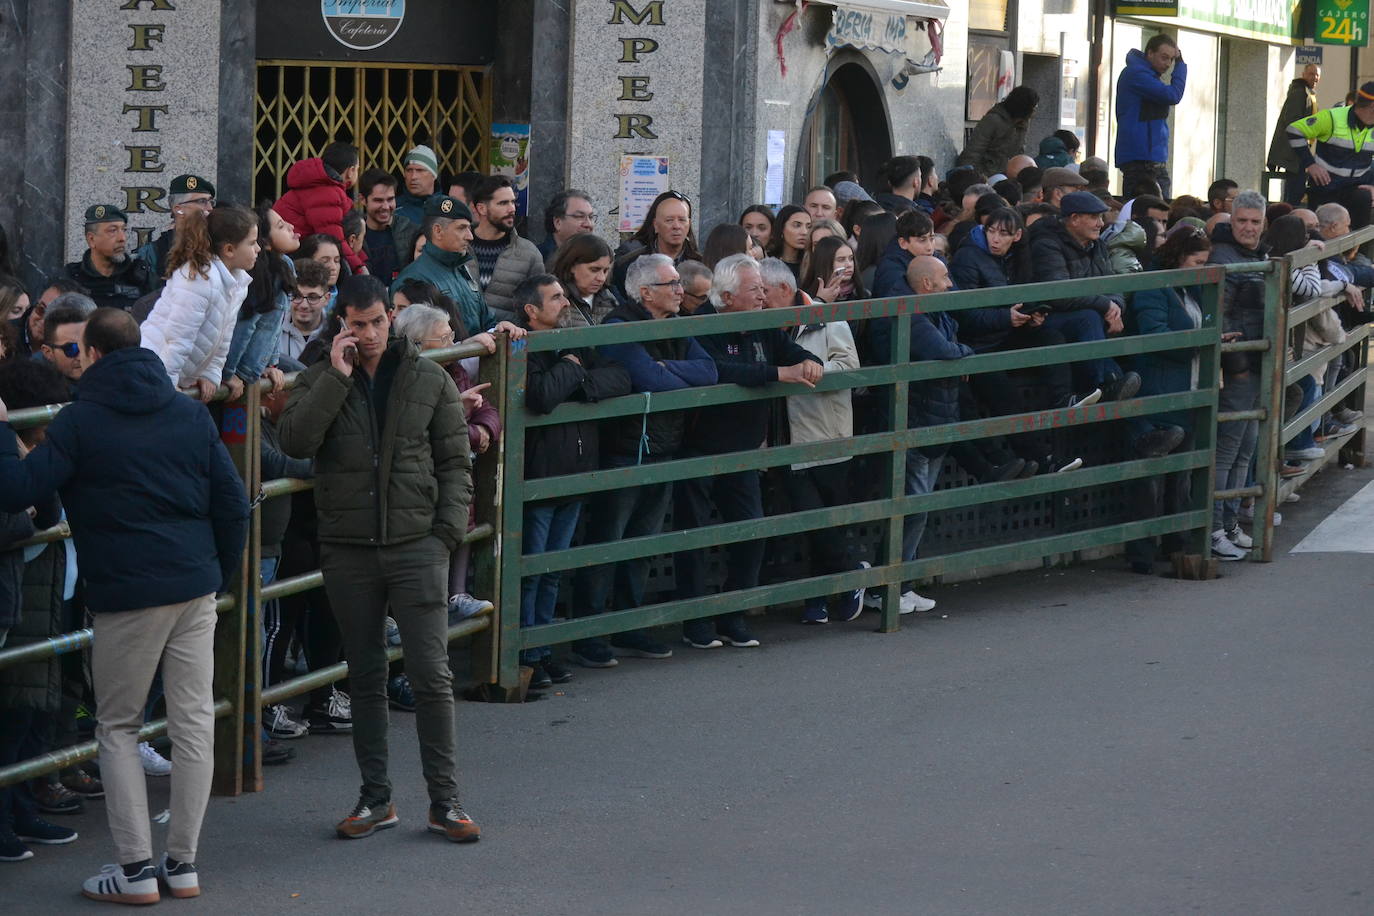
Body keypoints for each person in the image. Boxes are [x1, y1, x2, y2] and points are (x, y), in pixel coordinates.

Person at [0, 306, 249, 902]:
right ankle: (182, 865)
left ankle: (135, 870)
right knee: (192, 725)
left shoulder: (80, 421)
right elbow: (234, 505)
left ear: (89, 354)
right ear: (140, 346)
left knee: (116, 727)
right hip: (194, 586)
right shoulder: (188, 413)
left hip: (125, 594)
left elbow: (18, 493)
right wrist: (217, 576)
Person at [276, 275, 480, 843]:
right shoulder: (320, 377)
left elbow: (455, 461)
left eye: (375, 323)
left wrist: (444, 534)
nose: (366, 334)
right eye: (355, 324)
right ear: (341, 323)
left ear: (390, 319)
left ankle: (446, 800)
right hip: (348, 547)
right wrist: (336, 380)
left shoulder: (427, 378)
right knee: (364, 675)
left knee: (431, 674)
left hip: (417, 544)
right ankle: (375, 799)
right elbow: (294, 440)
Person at [571, 254, 717, 668]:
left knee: (643, 543)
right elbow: (648, 380)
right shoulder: (620, 326)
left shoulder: (674, 325)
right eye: (671, 284)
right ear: (645, 291)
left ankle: (629, 625)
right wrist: (666, 373)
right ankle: (587, 632)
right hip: (626, 450)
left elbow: (708, 372)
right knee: (609, 541)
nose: (680, 290)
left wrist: (667, 366)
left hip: (663, 446)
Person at [673, 254, 822, 649]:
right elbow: (720, 370)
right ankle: (695, 621)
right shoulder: (700, 325)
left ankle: (733, 614)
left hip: (744, 450)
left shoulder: (763, 323)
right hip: (699, 447)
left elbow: (790, 354)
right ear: (726, 296)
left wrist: (809, 361)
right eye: (754, 289)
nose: (763, 295)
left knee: (751, 530)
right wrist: (778, 373)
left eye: (763, 288)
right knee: (694, 537)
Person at [511, 276, 630, 686]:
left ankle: (541, 652)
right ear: (531, 309)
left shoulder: (575, 340)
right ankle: (525, 654)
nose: (565, 303)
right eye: (557, 297)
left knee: (552, 569)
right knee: (532, 569)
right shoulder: (522, 345)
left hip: (575, 472)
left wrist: (574, 381)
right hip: (540, 476)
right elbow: (540, 396)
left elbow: (619, 377)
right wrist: (569, 369)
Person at [760, 258, 866, 624]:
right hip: (781, 438)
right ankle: (842, 580)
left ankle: (832, 589)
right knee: (808, 520)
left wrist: (811, 371)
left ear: (785, 291)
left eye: (764, 291)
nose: (759, 298)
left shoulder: (825, 316)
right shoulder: (761, 322)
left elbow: (850, 367)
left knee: (827, 520)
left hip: (825, 432)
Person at [869, 255, 972, 613]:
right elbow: (944, 350)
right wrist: (964, 354)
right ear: (926, 284)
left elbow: (950, 347)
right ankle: (888, 587)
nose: (950, 285)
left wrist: (959, 354)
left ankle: (899, 584)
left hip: (934, 419)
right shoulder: (910, 312)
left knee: (917, 509)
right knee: (911, 509)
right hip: (913, 423)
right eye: (945, 278)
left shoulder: (938, 311)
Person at [0, 358, 68, 863]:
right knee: (13, 715)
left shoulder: (33, 449)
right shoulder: (12, 445)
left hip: (34, 595)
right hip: (20, 596)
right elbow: (24, 519)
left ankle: (18, 805)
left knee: (27, 715)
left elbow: (43, 510)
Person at [1123, 225, 1211, 573]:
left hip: (1186, 389)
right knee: (1151, 479)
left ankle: (1176, 545)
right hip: (1158, 390)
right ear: (1178, 258)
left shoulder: (1194, 289)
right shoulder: (1155, 288)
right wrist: (1202, 342)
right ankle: (1142, 554)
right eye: (1197, 262)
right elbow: (1154, 335)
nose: (1203, 269)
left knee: (1181, 476)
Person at [1027, 191, 1141, 401]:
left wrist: (1115, 306)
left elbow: (1111, 282)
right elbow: (1058, 292)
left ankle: (1113, 385)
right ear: (1074, 219)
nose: (1100, 223)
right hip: (1047, 318)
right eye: (1094, 217)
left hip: (1087, 317)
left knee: (1101, 318)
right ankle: (1099, 385)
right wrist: (1105, 305)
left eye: (1100, 217)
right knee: (1088, 318)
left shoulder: (1096, 244)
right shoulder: (1046, 244)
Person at [140, 206, 258, 402]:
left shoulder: (238, 283)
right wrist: (167, 383)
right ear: (229, 249)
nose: (258, 249)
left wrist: (210, 374)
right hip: (153, 372)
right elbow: (176, 338)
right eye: (252, 243)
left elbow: (223, 336)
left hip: (176, 377)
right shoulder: (199, 279)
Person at [1206, 190, 1269, 560]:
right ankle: (1215, 528)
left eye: (1255, 222)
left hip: (1255, 360)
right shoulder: (1223, 256)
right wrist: (1237, 365)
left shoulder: (1259, 252)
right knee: (1228, 449)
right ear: (1231, 220)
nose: (1248, 227)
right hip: (1240, 366)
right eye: (1242, 220)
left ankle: (1229, 524)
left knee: (1246, 448)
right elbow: (1222, 312)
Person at [392, 195, 526, 344]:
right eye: (462, 228)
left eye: (469, 228)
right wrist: (462, 347)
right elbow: (411, 344)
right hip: (443, 366)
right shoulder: (414, 278)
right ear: (438, 231)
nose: (470, 236)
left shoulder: (462, 270)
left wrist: (498, 329)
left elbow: (486, 321)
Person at [222, 205, 296, 400]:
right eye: (280, 226)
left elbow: (274, 325)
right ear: (265, 243)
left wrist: (270, 365)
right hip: (236, 370)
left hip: (254, 367)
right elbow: (245, 325)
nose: (291, 227)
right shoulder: (255, 271)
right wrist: (228, 373)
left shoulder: (284, 265)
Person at [1286, 82, 1374, 231]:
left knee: (1360, 225)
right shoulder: (1332, 117)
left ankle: (1358, 253)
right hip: (1325, 186)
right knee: (1323, 231)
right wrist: (1311, 164)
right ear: (1372, 107)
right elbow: (1294, 130)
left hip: (1356, 188)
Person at [272, 141, 366, 274]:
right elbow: (332, 237)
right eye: (357, 169)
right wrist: (358, 267)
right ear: (350, 171)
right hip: (292, 255)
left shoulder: (321, 185)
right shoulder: (326, 191)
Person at [1114, 34, 1187, 200]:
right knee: (1147, 211)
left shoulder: (1147, 76)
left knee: (1157, 212)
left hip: (1150, 157)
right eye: (1164, 58)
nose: (1168, 64)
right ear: (1150, 53)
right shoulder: (1136, 74)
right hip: (1141, 159)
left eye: (1171, 59)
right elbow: (1173, 95)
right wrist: (1181, 65)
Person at [468, 175, 545, 321]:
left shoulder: (529, 254)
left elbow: (538, 307)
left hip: (509, 340)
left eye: (513, 202)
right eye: (503, 203)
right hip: (463, 340)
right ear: (482, 208)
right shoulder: (459, 247)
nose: (512, 209)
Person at [610, 190, 703, 298]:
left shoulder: (701, 266)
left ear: (689, 224)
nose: (676, 226)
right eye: (669, 220)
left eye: (682, 220)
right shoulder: (630, 265)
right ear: (656, 225)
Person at [64, 205, 155, 313]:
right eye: (112, 231)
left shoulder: (141, 277)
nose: (122, 238)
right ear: (91, 239)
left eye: (123, 230)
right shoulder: (70, 277)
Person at [136, 174, 216, 286]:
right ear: (178, 209)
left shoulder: (218, 245)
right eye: (202, 201)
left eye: (211, 202)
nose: (210, 208)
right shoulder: (152, 253)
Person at [1268, 64, 1321, 206]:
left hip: (1298, 148)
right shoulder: (1300, 92)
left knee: (1295, 188)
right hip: (1293, 149)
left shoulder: (1308, 92)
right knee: (1296, 189)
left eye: (1317, 75)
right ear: (1303, 74)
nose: (1314, 77)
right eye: (1311, 74)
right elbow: (1292, 121)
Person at [958, 86, 1038, 178]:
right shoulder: (993, 120)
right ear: (1024, 107)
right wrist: (972, 178)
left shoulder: (1023, 122)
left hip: (1007, 175)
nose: (1034, 112)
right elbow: (973, 151)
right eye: (1033, 107)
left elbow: (1019, 150)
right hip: (985, 174)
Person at [358, 169, 418, 285]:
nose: (385, 206)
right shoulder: (355, 234)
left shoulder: (410, 231)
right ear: (362, 200)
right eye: (378, 200)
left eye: (390, 199)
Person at [550, 232, 617, 328]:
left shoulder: (610, 299)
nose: (601, 278)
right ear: (572, 266)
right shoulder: (553, 301)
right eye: (594, 270)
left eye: (605, 271)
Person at [280, 259, 331, 361]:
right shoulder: (272, 329)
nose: (304, 305)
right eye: (297, 296)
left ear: (327, 298)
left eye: (312, 297)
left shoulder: (335, 331)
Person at [37, 299, 95, 390]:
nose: (81, 357)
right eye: (72, 349)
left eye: (86, 346)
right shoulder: (34, 389)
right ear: (48, 352)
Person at [537, 189, 596, 262]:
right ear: (558, 222)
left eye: (591, 217)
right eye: (579, 216)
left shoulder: (598, 258)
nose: (588, 224)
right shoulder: (537, 260)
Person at [395, 145, 443, 226]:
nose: (413, 177)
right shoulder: (393, 208)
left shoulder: (447, 207)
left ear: (434, 175)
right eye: (409, 170)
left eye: (420, 170)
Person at [767, 204, 811, 281]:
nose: (804, 232)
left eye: (809, 227)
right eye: (797, 225)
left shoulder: (811, 265)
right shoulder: (766, 261)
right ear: (782, 228)